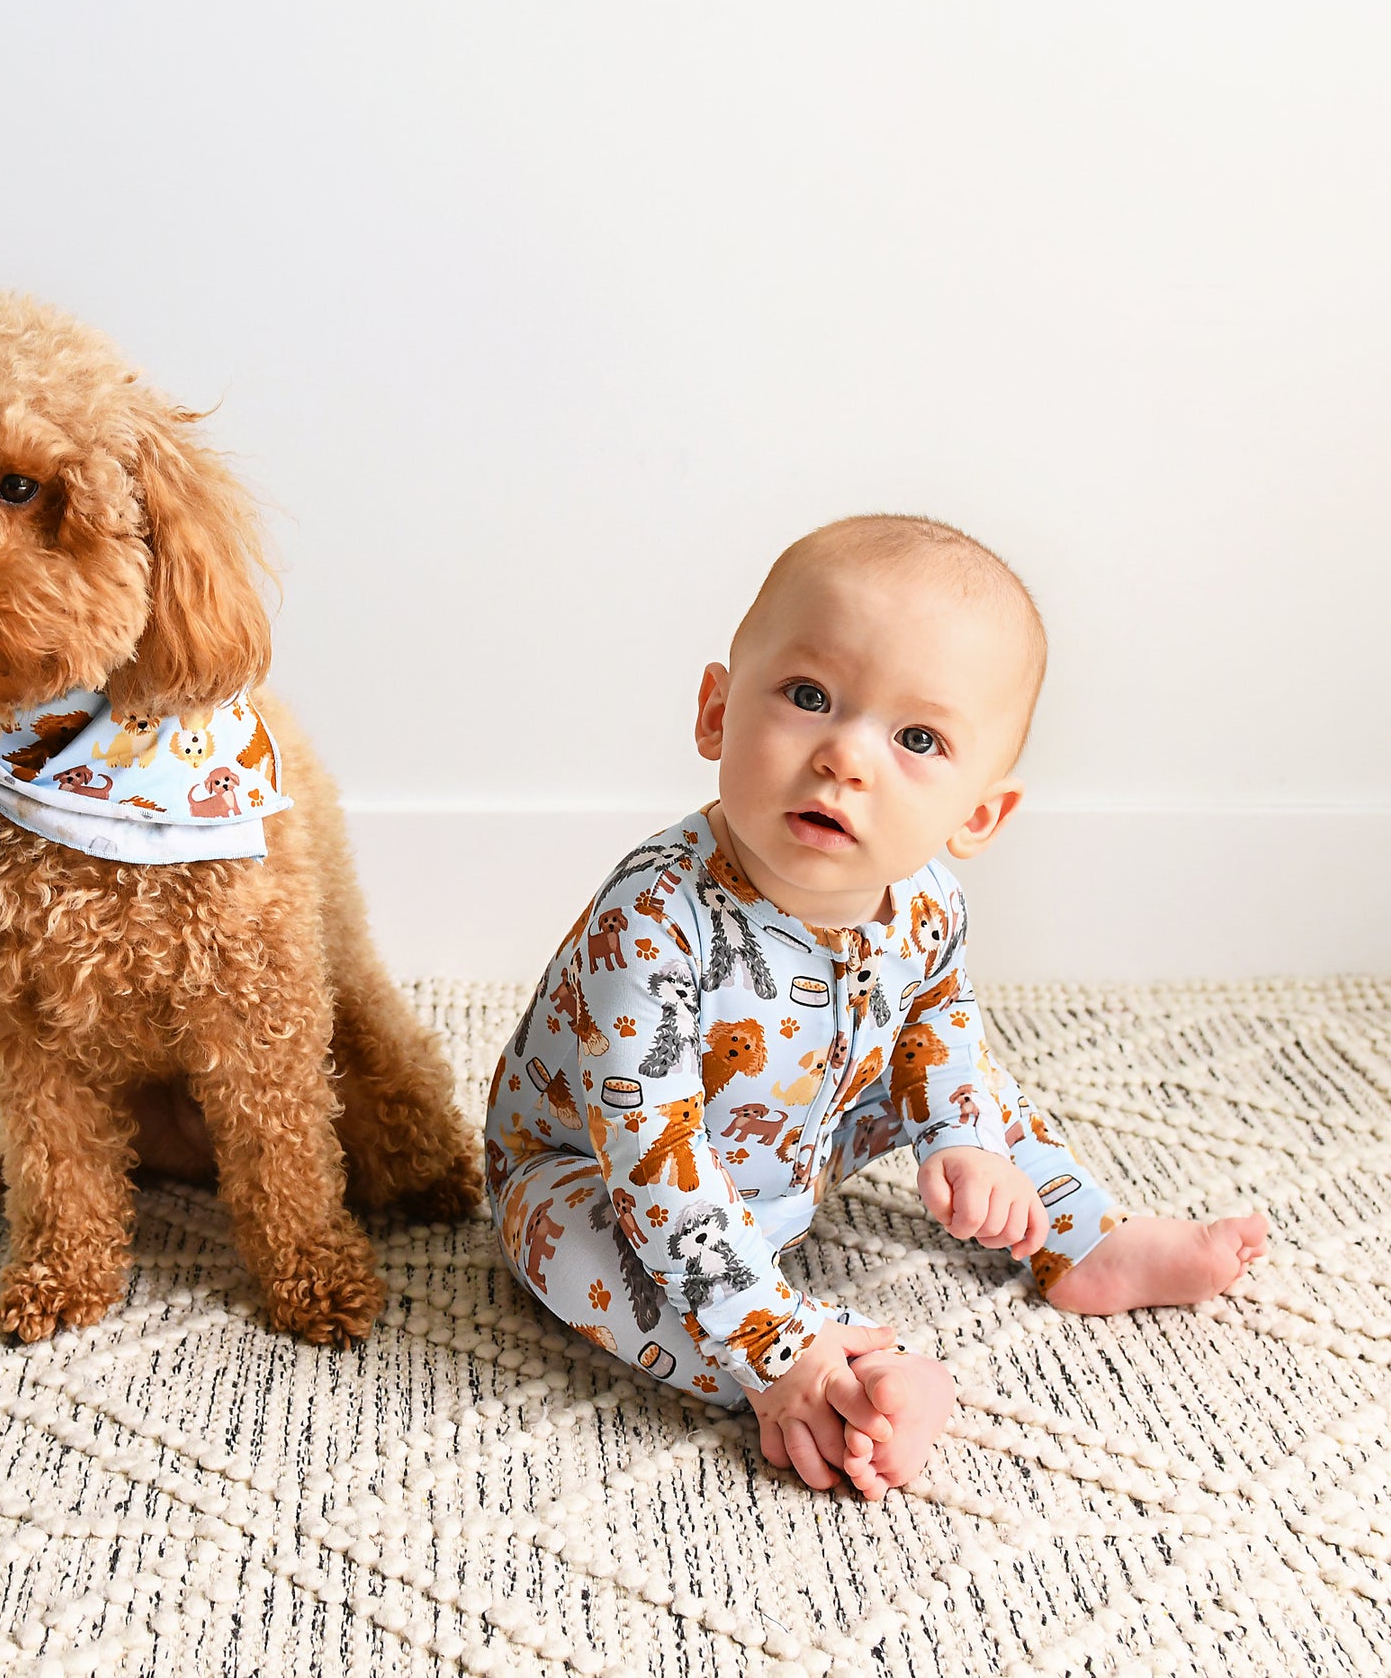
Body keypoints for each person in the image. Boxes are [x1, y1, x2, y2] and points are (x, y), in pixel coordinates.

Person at [485, 514, 1267, 1499]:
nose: (844, 757)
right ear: (717, 714)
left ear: (977, 815)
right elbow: (655, 1158)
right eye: (808, 696)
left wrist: (962, 1139)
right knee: (570, 1251)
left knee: (969, 1086)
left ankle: (1087, 1239)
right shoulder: (653, 919)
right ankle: (834, 1382)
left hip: (808, 1130)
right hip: (606, 1173)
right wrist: (772, 1342)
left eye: (917, 739)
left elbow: (941, 1027)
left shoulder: (929, 902)